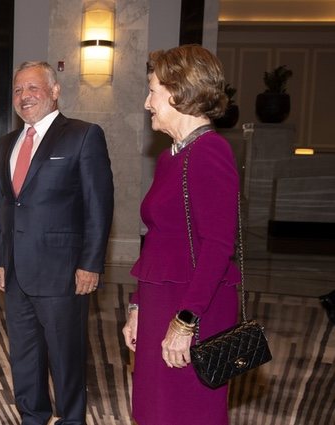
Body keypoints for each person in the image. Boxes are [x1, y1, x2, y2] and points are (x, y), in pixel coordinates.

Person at [122, 44, 242, 425]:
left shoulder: (210, 152)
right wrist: (138, 306)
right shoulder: (171, 155)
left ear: (178, 91)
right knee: (155, 408)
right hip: (162, 303)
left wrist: (185, 322)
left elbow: (218, 246)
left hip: (194, 309)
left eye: (152, 89)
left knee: (188, 410)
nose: (147, 102)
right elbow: (157, 239)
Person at [0, 61, 114, 425]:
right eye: (17, 90)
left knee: (66, 357)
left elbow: (98, 205)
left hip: (62, 273)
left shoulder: (83, 135)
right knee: (24, 358)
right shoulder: (5, 144)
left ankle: (72, 419)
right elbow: (2, 207)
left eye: (32, 88)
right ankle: (32, 417)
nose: (24, 97)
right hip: (15, 272)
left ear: (55, 90)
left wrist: (91, 263)